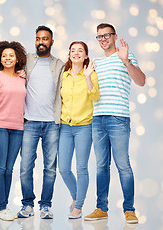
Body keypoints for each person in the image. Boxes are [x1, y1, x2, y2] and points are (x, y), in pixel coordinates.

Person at [85, 23, 145, 224]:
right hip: (97, 118)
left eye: (106, 35)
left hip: (118, 118)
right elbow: (90, 91)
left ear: (114, 36)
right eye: (99, 36)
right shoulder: (96, 63)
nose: (103, 39)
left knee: (123, 165)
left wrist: (127, 61)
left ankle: (129, 209)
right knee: (101, 166)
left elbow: (141, 81)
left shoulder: (125, 57)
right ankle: (101, 208)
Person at [17, 26, 65, 219]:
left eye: (45, 39)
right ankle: (27, 204)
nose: (41, 42)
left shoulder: (60, 64)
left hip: (52, 123)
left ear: (51, 42)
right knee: (25, 166)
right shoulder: (27, 60)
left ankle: (45, 205)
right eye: (38, 38)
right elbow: (5, 64)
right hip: (29, 122)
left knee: (50, 168)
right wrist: (19, 74)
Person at [0, 41, 27, 221]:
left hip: (17, 127)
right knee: (0, 167)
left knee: (9, 169)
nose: (7, 58)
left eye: (11, 55)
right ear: (0, 58)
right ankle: (2, 207)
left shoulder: (22, 78)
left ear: (17, 58)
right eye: (4, 56)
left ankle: (6, 205)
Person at [58, 41, 100, 219]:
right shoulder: (64, 75)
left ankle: (79, 206)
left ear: (85, 55)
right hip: (65, 127)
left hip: (84, 126)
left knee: (81, 168)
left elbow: (95, 96)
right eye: (73, 51)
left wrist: (88, 76)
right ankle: (76, 198)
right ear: (69, 54)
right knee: (63, 168)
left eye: (80, 51)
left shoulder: (91, 74)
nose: (76, 53)